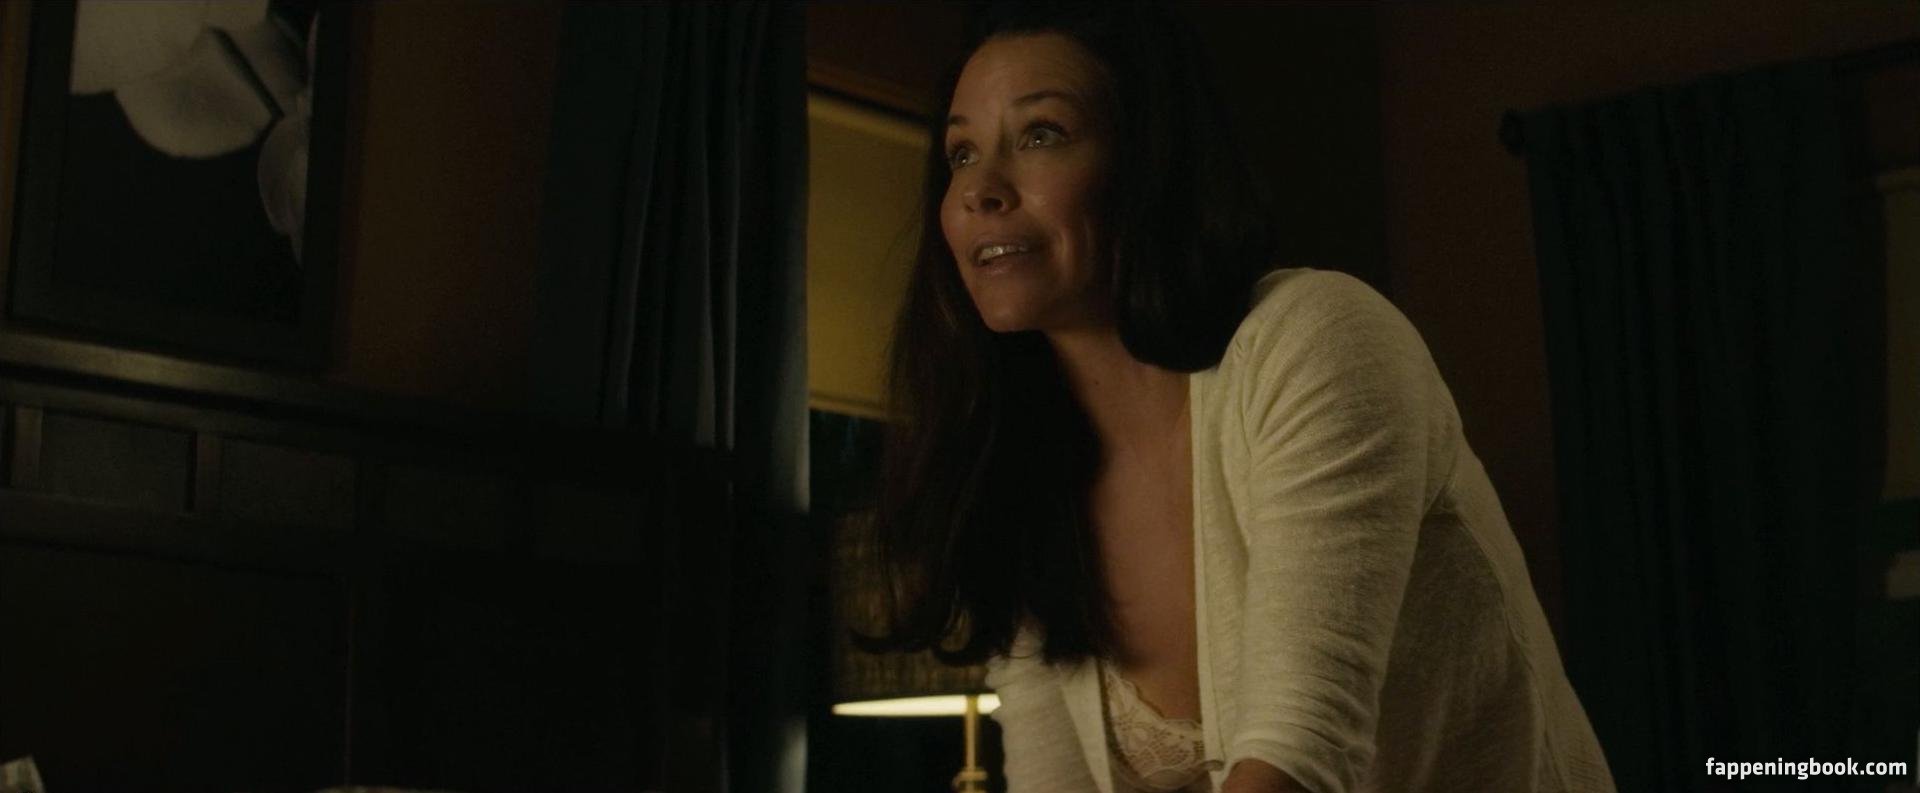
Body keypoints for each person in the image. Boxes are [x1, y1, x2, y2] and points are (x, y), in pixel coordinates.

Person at [856, 3, 1618, 791]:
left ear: (1146, 162)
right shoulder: (1021, 470)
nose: (979, 189)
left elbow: (1300, 760)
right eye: (961, 152)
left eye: (1041, 134)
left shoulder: (1317, 340)